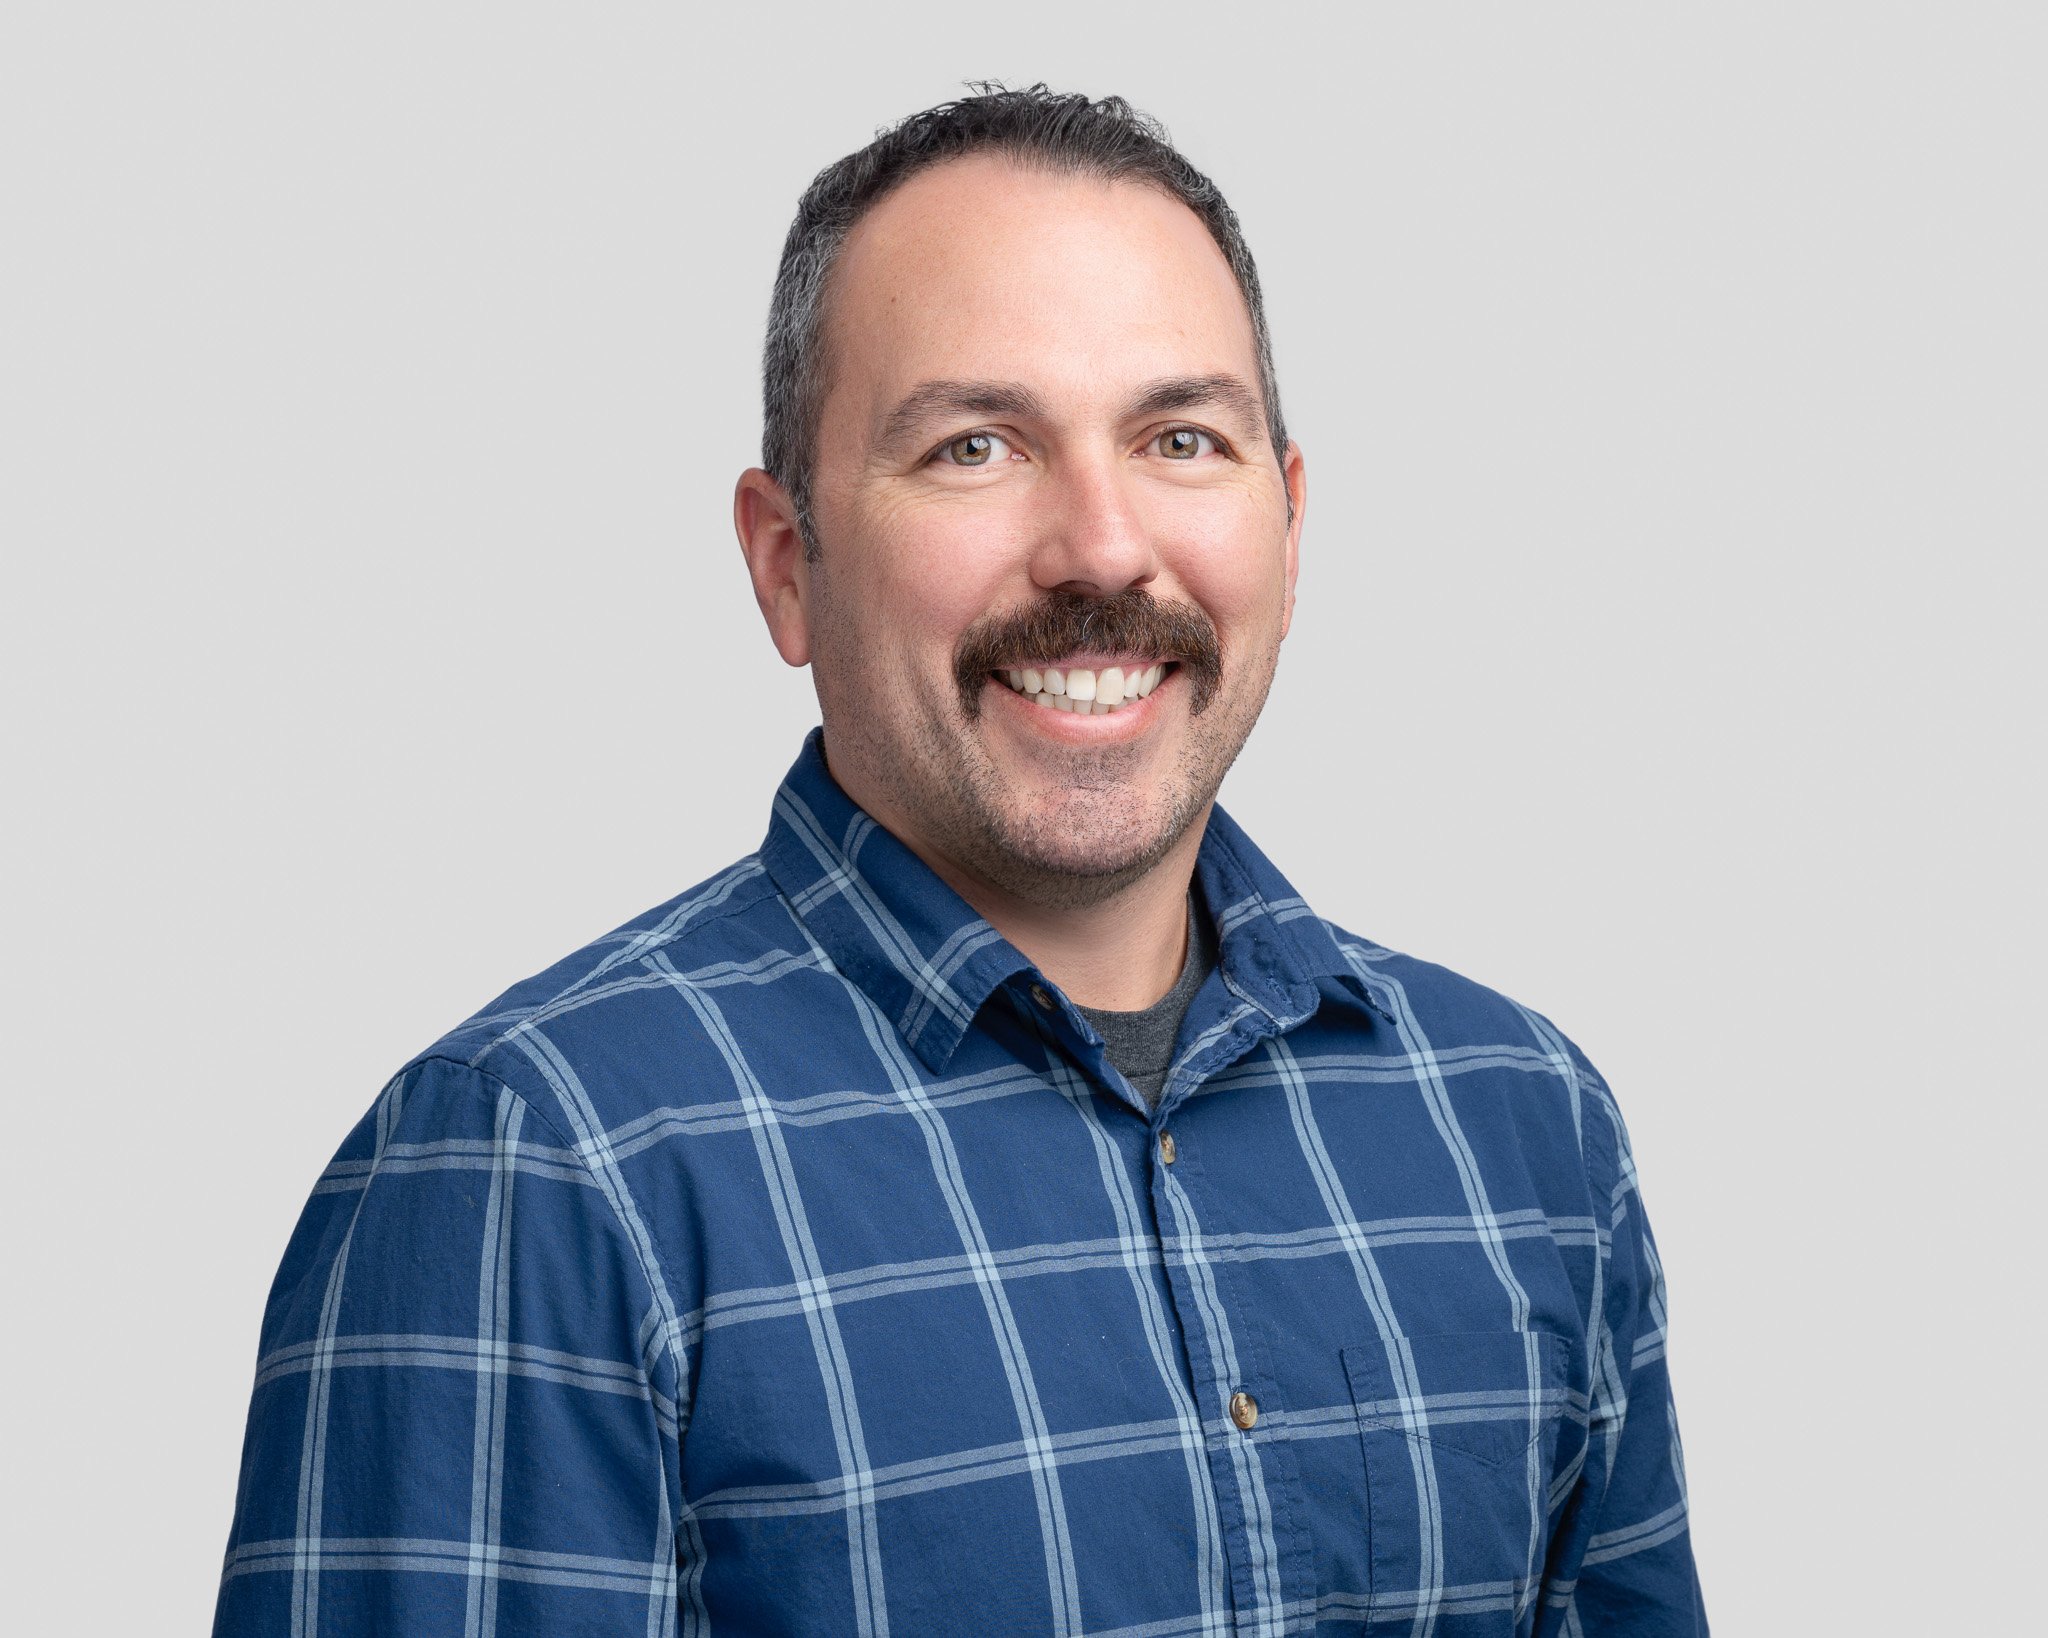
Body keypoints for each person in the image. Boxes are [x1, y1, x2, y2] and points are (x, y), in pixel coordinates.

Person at [211, 84, 1707, 1636]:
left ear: (1289, 514)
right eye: (976, 446)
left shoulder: (1521, 1132)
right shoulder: (542, 1165)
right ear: (788, 566)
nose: (1103, 547)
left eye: (1181, 437)